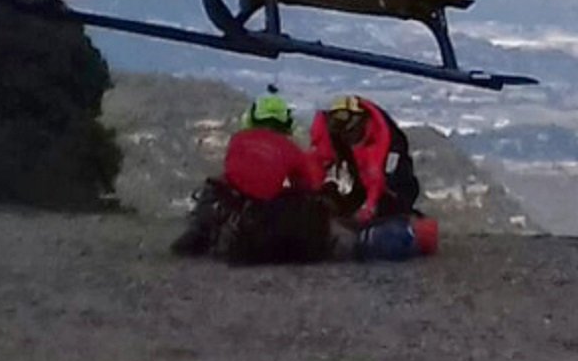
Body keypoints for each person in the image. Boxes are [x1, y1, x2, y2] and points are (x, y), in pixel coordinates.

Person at [172, 86, 333, 263]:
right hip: (268, 214)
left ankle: (200, 233)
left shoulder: (238, 140)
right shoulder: (292, 150)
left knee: (215, 187)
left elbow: (232, 174)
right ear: (287, 122)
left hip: (239, 208)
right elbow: (306, 185)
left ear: (251, 117)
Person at [309, 95, 422, 227]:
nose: (348, 138)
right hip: (361, 185)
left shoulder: (388, 141)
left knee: (391, 203)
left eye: (351, 132)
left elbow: (378, 180)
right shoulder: (330, 131)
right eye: (344, 134)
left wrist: (369, 209)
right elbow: (318, 159)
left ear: (362, 122)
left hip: (391, 189)